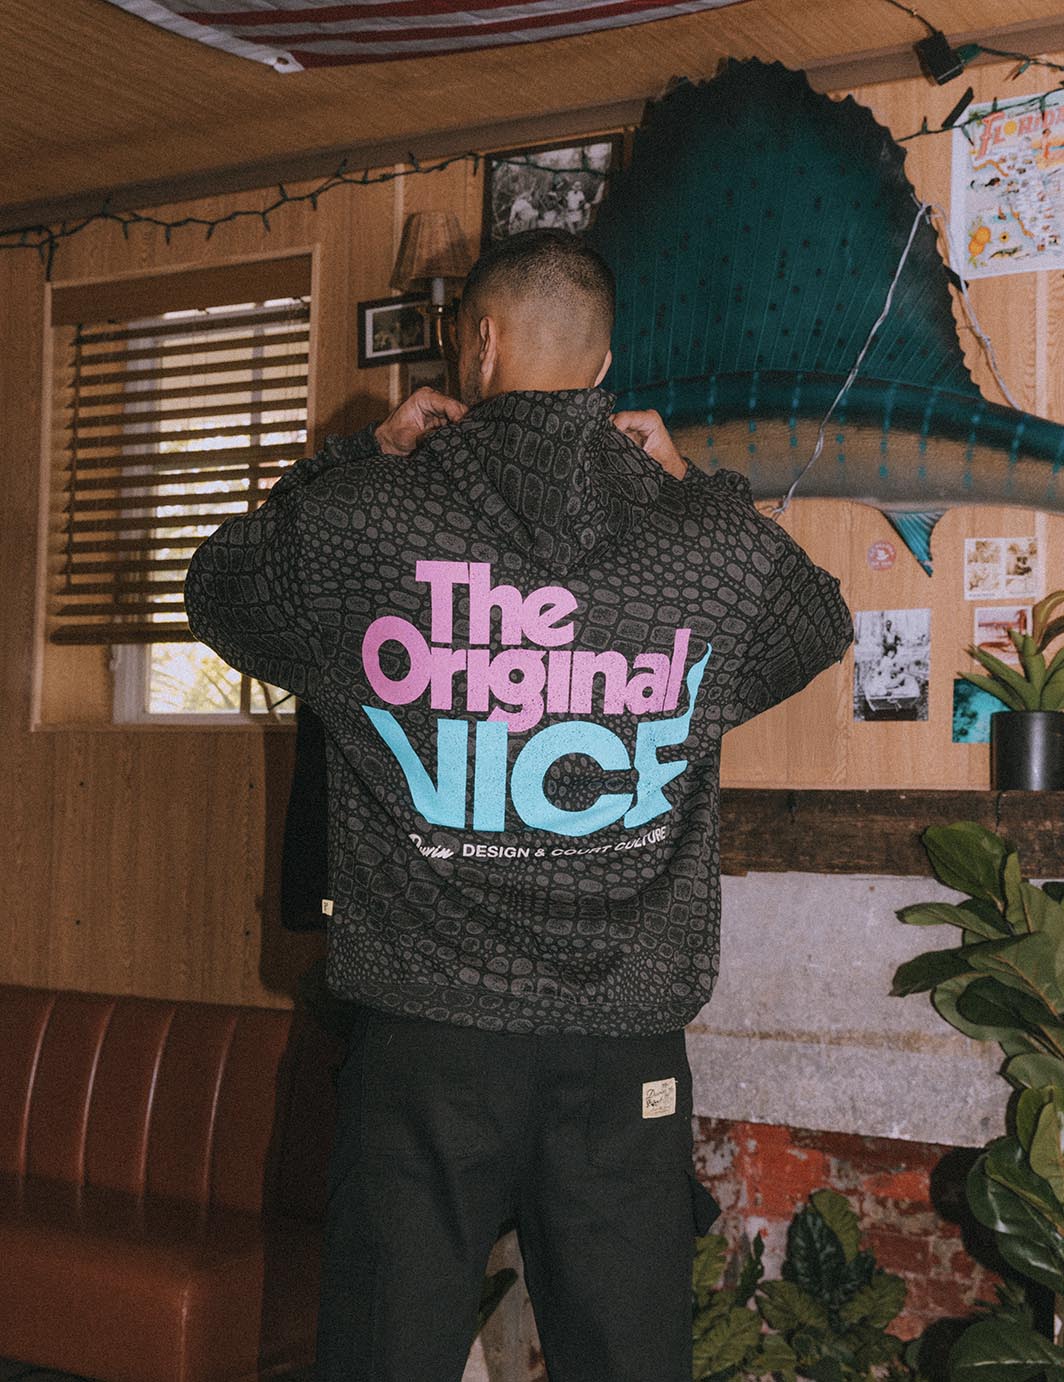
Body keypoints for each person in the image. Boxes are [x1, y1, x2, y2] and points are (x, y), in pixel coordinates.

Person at [184, 228, 853, 1382]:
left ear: (480, 344)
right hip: (621, 1046)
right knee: (626, 1359)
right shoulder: (700, 543)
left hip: (425, 1038)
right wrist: (692, 486)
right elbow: (815, 621)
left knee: (384, 1355)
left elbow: (218, 589)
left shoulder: (365, 520)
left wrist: (356, 456)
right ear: (603, 366)